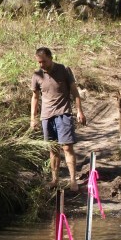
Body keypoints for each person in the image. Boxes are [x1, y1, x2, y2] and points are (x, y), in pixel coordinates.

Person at [30, 47, 86, 191]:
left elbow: (74, 92)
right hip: (46, 116)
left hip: (64, 113)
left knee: (67, 147)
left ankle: (73, 180)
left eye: (43, 61)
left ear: (51, 57)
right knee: (53, 149)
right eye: (39, 62)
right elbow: (35, 97)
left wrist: (80, 111)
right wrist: (33, 118)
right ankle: (55, 180)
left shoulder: (64, 70)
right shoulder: (37, 75)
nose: (41, 65)